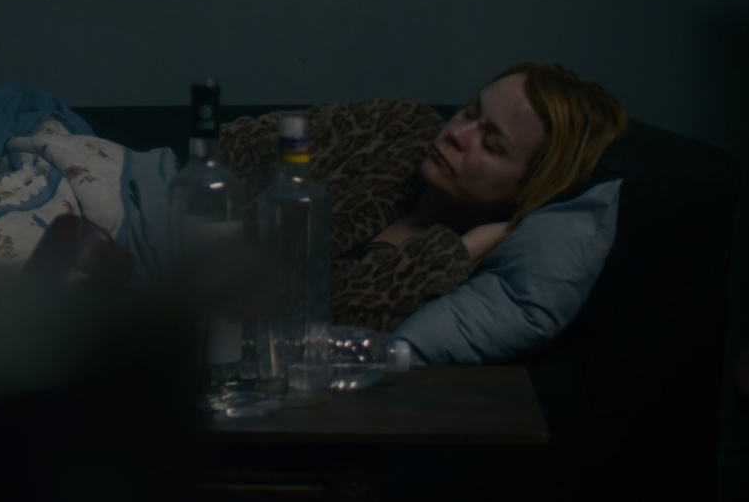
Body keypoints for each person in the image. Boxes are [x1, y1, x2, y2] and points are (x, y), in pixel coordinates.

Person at [217, 63, 628, 335]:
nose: (457, 134)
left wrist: (459, 250)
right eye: (470, 113)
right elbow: (240, 143)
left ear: (528, 186)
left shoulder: (459, 269)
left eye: (491, 144)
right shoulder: (398, 126)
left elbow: (321, 323)